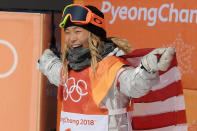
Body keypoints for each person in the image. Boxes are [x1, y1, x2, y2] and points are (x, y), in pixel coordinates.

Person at [37, 4, 175, 131]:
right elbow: (55, 72)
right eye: (67, 32)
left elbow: (134, 84)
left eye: (78, 31)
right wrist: (47, 61)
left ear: (93, 34)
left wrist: (147, 68)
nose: (71, 38)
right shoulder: (70, 66)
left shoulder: (110, 66)